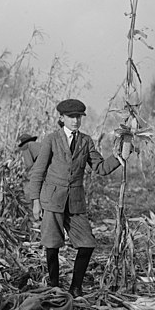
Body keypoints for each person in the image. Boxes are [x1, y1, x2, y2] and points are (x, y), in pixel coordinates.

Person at [27, 99, 125, 296]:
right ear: (62, 118)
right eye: (71, 117)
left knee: (87, 243)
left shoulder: (86, 141)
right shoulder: (51, 139)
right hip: (53, 200)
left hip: (75, 202)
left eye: (79, 117)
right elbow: (38, 171)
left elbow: (100, 168)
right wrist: (35, 202)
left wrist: (120, 157)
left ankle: (76, 287)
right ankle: (54, 286)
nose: (76, 121)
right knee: (52, 245)